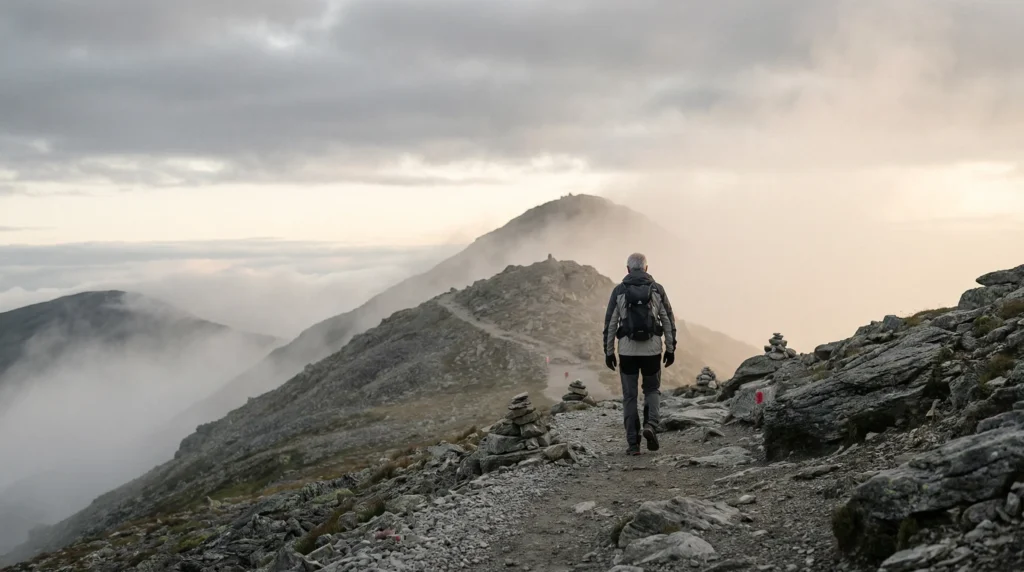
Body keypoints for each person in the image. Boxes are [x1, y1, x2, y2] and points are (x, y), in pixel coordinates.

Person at [602, 252, 677, 455]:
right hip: (652, 350)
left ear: (628, 269)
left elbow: (610, 324)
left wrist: (609, 352)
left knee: (630, 396)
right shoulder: (657, 290)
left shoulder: (619, 290)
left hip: (627, 352)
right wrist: (670, 348)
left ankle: (633, 445)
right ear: (646, 268)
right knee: (652, 390)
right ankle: (651, 426)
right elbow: (668, 320)